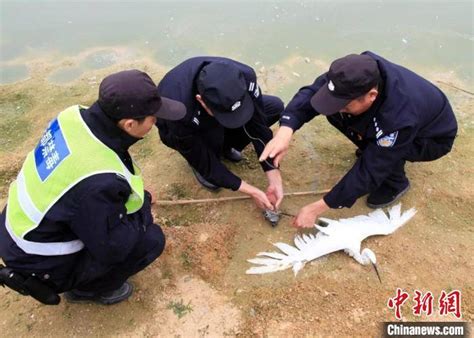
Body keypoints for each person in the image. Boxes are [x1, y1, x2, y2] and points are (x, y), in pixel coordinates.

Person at [0, 70, 186, 305]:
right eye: (152, 118)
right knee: (150, 240)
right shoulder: (98, 183)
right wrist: (144, 210)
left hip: (17, 227)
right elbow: (112, 249)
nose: (155, 122)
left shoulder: (71, 116)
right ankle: (85, 290)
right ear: (129, 124)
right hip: (37, 259)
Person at [260, 51, 457, 228]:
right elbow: (313, 93)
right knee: (335, 114)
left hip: (430, 139)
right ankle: (371, 143)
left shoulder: (398, 118)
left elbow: (371, 169)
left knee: (380, 154)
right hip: (398, 123)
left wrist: (318, 207)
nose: (339, 107)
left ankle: (396, 183)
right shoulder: (353, 72)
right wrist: (286, 129)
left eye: (345, 104)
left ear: (372, 95)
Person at [156, 57, 285, 211]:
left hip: (214, 110)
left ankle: (225, 147)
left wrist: (273, 175)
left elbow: (258, 127)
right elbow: (209, 167)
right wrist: (252, 191)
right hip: (183, 126)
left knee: (274, 107)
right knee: (212, 145)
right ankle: (205, 159)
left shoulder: (246, 74)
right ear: (201, 100)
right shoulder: (177, 110)